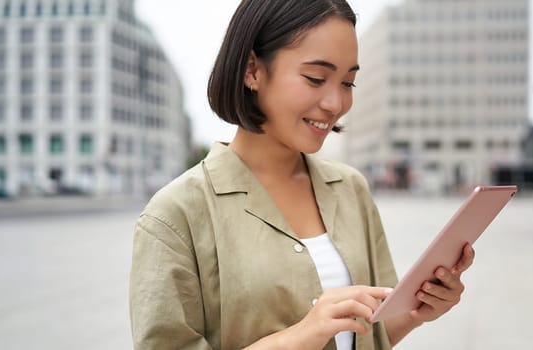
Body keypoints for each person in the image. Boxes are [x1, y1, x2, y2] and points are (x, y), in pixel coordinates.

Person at [129, 1, 476, 349]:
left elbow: (371, 334)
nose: (335, 103)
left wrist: (417, 310)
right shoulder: (175, 215)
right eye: (316, 78)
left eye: (348, 83)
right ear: (252, 70)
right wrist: (302, 336)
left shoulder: (351, 189)